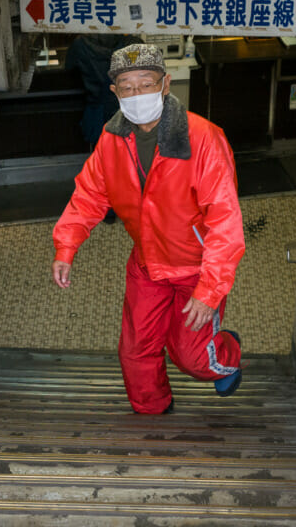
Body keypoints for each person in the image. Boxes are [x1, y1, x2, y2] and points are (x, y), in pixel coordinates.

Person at [51, 43, 245, 414]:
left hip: (196, 268)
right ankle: (151, 411)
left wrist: (210, 290)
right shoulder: (112, 141)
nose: (137, 94)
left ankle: (229, 352)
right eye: (127, 87)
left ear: (165, 84)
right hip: (147, 264)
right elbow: (89, 195)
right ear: (115, 92)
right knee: (135, 350)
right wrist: (66, 247)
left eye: (145, 83)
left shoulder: (204, 138)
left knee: (191, 357)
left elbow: (225, 221)